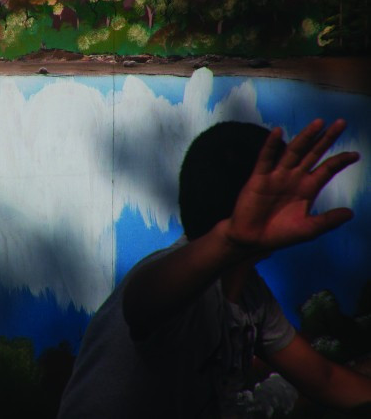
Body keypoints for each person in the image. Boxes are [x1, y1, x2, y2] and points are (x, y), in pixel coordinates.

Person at [58, 119, 371, 418]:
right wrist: (231, 239)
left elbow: (325, 379)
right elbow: (140, 302)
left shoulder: (251, 295)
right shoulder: (180, 286)